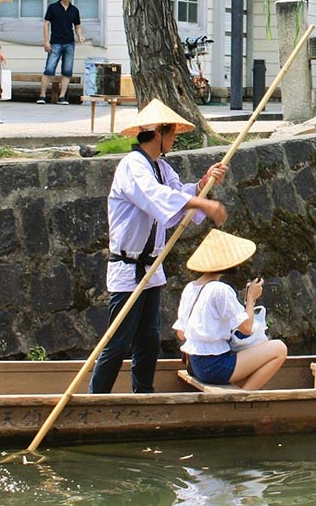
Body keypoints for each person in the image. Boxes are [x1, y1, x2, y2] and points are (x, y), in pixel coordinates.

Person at [89, 99, 229, 394]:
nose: (174, 139)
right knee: (118, 342)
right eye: (171, 133)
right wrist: (203, 203)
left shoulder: (161, 167)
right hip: (128, 268)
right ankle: (96, 397)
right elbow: (157, 197)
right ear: (158, 133)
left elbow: (178, 193)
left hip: (152, 268)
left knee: (149, 340)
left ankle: (143, 393)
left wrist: (204, 184)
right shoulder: (133, 166)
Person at [175, 228, 288, 390]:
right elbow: (246, 328)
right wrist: (251, 299)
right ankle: (242, 397)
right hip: (213, 367)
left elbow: (181, 333)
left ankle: (242, 392)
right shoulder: (221, 290)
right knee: (279, 348)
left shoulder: (190, 287)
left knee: (249, 361)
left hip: (193, 363)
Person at [37, 0, 86, 104]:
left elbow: (77, 26)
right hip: (55, 42)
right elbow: (46, 24)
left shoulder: (74, 10)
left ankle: (62, 97)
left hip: (69, 43)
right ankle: (42, 96)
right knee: (49, 69)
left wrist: (80, 35)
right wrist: (46, 41)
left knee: (67, 71)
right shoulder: (53, 7)